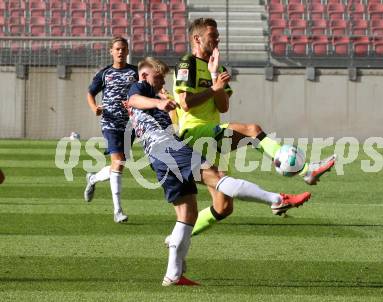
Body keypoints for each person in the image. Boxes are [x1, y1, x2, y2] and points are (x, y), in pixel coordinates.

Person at [127, 57, 311, 285]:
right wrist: (157, 103)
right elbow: (134, 98)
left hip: (160, 156)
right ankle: (276, 199)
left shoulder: (155, 97)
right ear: (144, 76)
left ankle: (173, 275)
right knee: (218, 177)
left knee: (188, 214)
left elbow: (153, 114)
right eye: (158, 77)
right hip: (166, 148)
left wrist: (165, 104)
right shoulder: (139, 89)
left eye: (163, 78)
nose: (161, 81)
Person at [172, 18, 336, 233]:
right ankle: (306, 170)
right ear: (197, 38)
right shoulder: (187, 63)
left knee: (223, 207)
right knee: (252, 131)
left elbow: (222, 107)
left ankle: (176, 238)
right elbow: (185, 104)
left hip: (211, 133)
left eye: (217, 34)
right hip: (193, 133)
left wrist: (215, 79)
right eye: (213, 35)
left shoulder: (217, 67)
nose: (218, 38)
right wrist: (214, 88)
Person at [84, 36, 138, 223]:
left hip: (130, 124)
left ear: (128, 51)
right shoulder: (105, 73)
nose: (120, 51)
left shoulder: (135, 72)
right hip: (110, 122)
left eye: (123, 48)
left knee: (119, 164)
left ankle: (92, 178)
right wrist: (94, 108)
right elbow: (91, 93)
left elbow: (144, 92)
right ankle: (118, 211)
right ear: (111, 51)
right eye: (117, 49)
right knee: (119, 160)